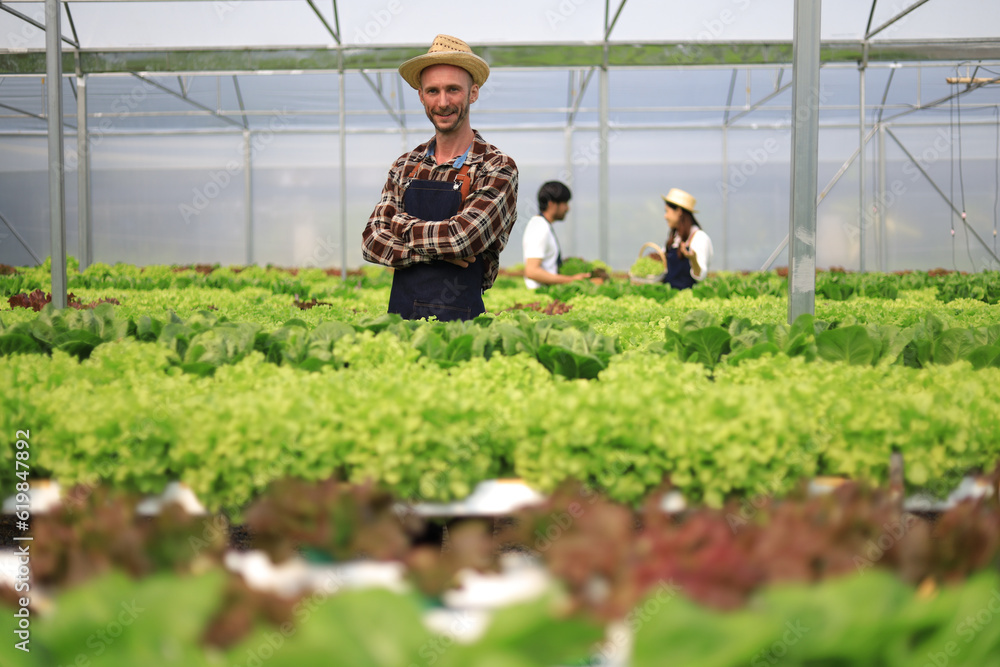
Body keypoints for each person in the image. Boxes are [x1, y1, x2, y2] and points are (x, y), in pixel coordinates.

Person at [362, 35, 519, 321]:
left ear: (473, 93)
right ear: (421, 96)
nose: (443, 102)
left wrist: (400, 225)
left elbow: (462, 238)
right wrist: (433, 251)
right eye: (433, 91)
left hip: (463, 329)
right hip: (400, 324)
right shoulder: (405, 166)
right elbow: (371, 242)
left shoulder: (496, 167)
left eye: (453, 90)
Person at [521, 181, 590, 288]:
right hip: (540, 296)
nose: (568, 208)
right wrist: (571, 280)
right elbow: (532, 271)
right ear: (551, 204)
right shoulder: (539, 227)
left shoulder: (543, 225)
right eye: (565, 203)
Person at [660, 187, 713, 290]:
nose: (665, 216)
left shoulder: (699, 238)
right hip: (670, 299)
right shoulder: (675, 238)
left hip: (689, 301)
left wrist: (693, 259)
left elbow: (700, 276)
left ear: (679, 211)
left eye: (667, 211)